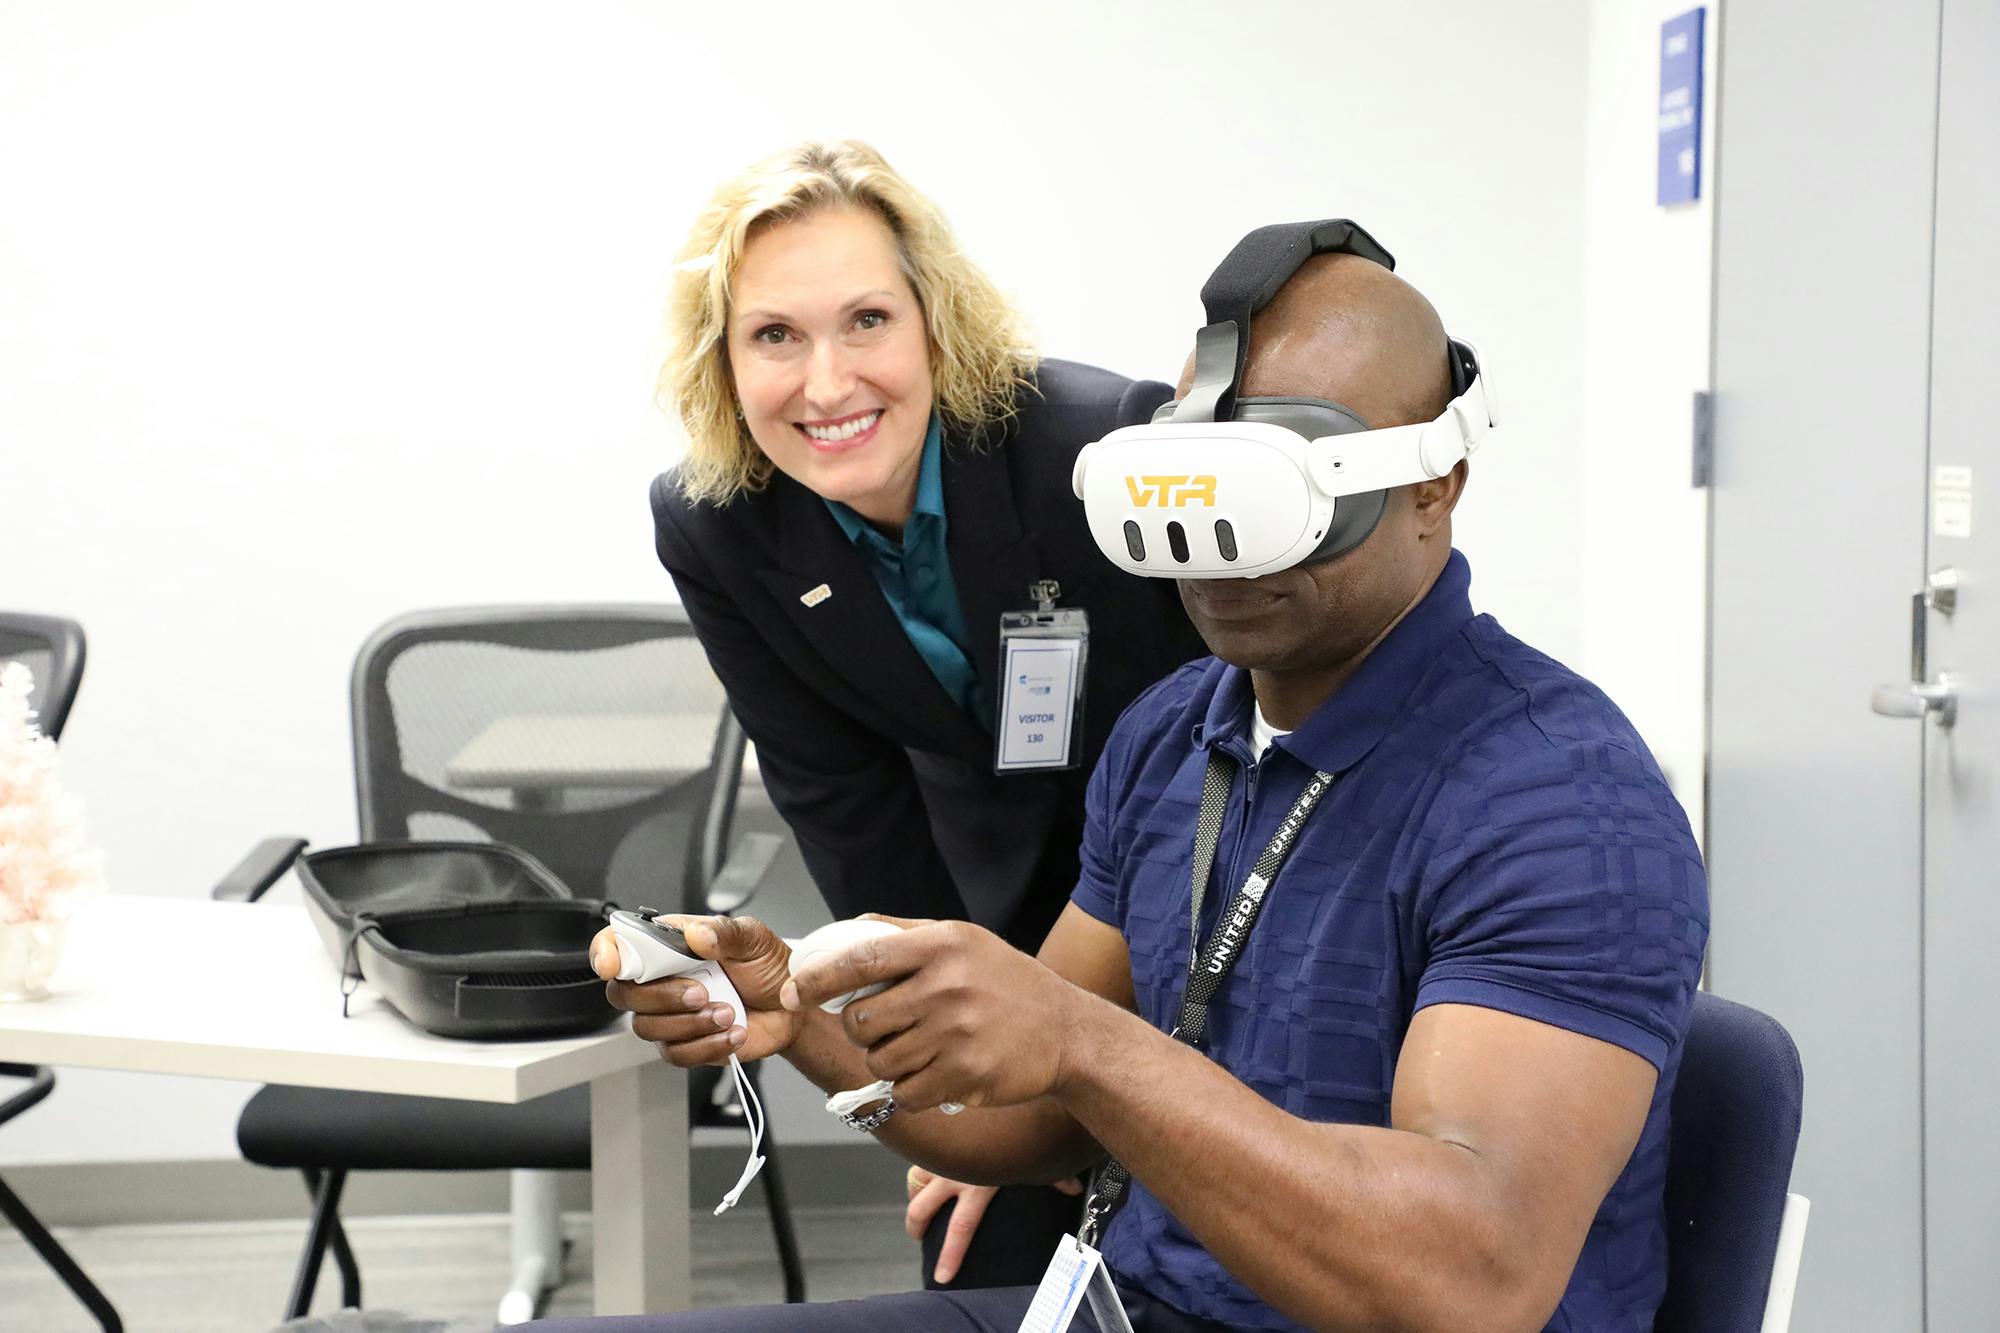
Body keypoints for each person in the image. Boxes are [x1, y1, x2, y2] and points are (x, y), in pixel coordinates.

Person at [557, 238, 1709, 1332]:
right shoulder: (1172, 734)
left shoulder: (1555, 798)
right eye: (1194, 485)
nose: (1226, 547)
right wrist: (798, 1016)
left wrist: (1082, 1040)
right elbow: (1017, 1115)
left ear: (1432, 484)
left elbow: (1472, 1280)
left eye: (1279, 493)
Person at [649, 139, 1207, 1287]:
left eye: (865, 321)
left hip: (1205, 931)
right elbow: (848, 815)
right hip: (992, 918)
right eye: (774, 336)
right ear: (721, 360)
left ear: (933, 320)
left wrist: (1078, 1061)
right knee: (979, 1250)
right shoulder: (719, 522)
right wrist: (965, 1085)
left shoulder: (1101, 449)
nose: (827, 383)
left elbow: (1212, 780)